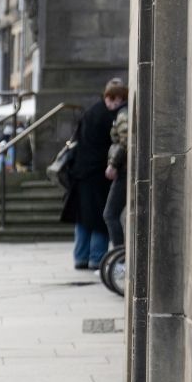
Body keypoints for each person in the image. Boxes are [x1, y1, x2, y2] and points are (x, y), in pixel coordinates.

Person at [61, 79, 127, 270]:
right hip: (100, 173)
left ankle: (81, 257)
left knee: (83, 218)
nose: (115, 102)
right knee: (100, 217)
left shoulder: (91, 112)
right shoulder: (112, 116)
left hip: (81, 172)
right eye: (113, 98)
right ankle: (97, 257)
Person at [104, 98, 130, 249]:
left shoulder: (122, 114)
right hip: (124, 169)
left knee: (110, 213)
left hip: (124, 170)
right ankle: (120, 257)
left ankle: (120, 259)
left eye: (110, 99)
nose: (108, 104)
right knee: (112, 214)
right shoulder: (122, 113)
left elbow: (125, 140)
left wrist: (113, 164)